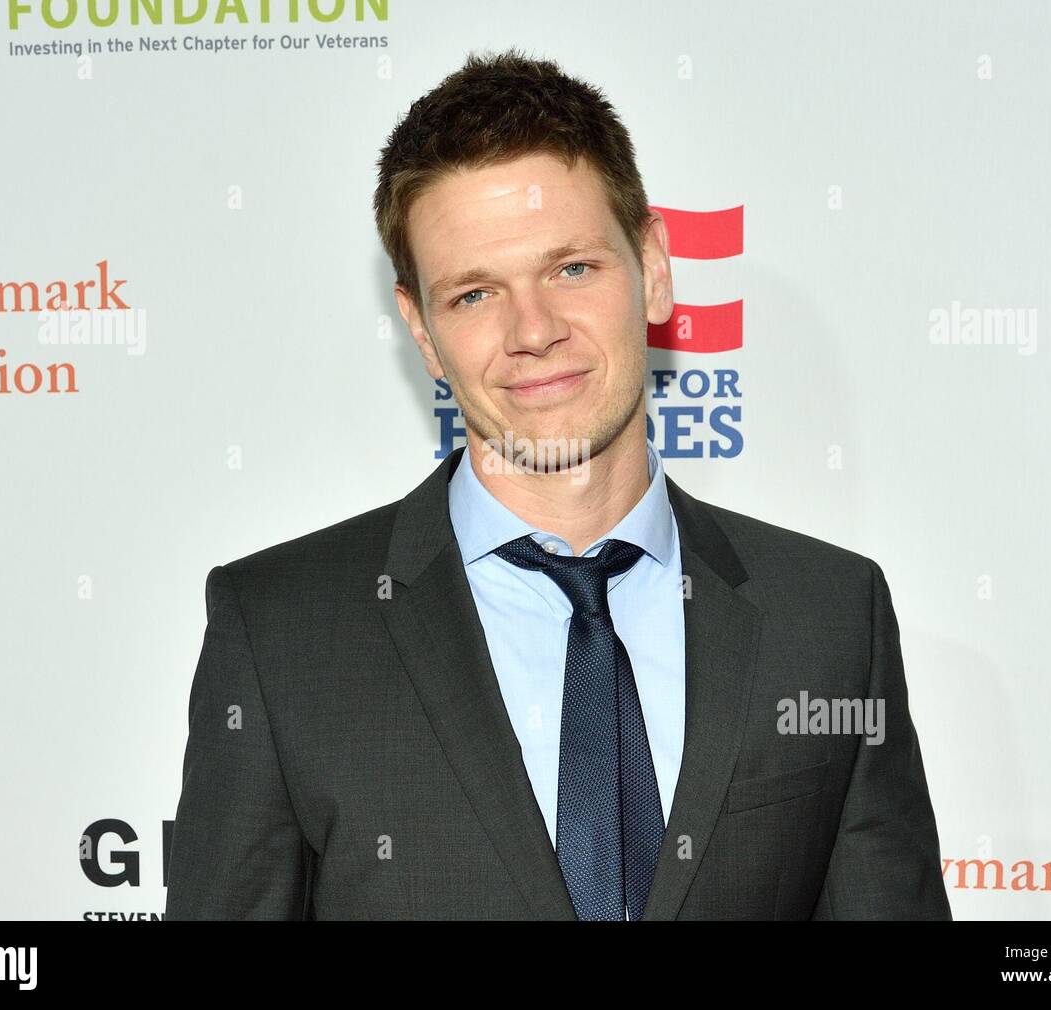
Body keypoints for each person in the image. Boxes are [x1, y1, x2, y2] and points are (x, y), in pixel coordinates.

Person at [164, 48, 951, 921]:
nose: (532, 330)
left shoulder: (830, 615)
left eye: (572, 269)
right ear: (421, 330)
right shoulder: (282, 633)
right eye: (473, 294)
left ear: (653, 269)